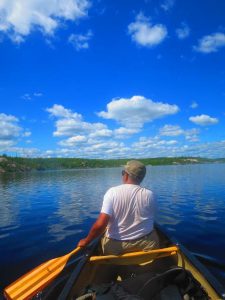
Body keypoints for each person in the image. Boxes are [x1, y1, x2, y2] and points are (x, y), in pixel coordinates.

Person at [77, 160, 159, 255]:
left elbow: (101, 224)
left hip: (117, 247)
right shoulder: (151, 194)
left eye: (123, 172)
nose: (122, 175)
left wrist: (86, 241)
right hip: (147, 244)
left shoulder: (112, 192)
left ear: (126, 175)